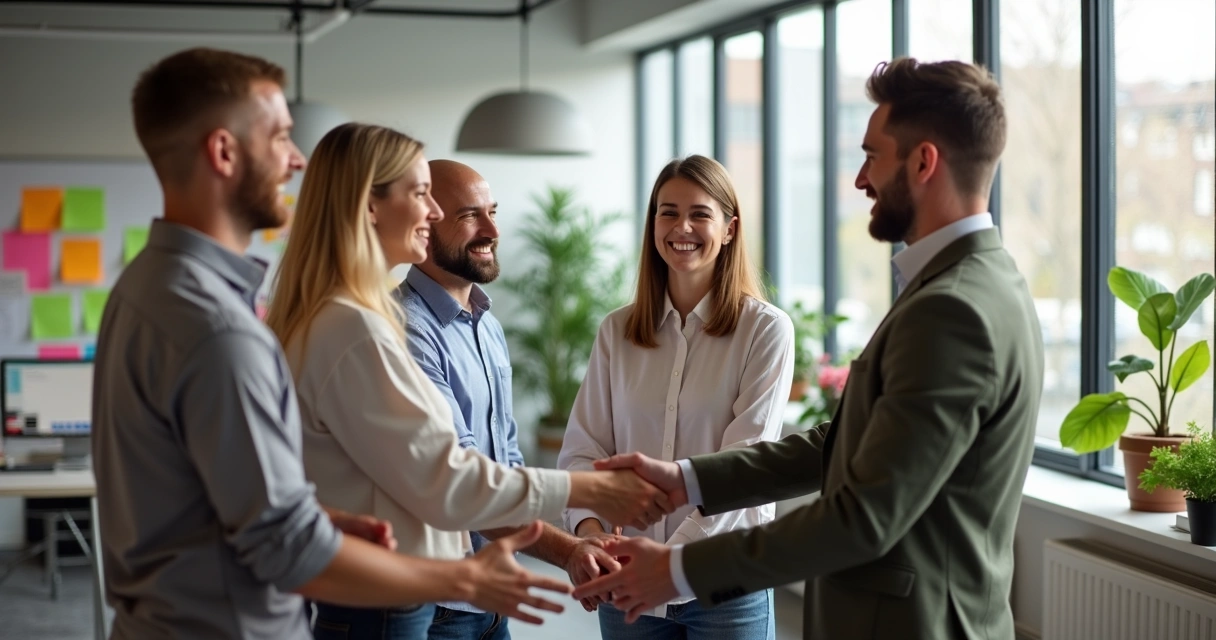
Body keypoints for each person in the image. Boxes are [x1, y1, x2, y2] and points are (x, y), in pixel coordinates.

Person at [92, 48, 575, 640]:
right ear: (223, 152)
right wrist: (462, 580)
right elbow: (292, 543)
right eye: (280, 138)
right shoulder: (223, 327)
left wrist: (322, 518)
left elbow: (218, 502)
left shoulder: (144, 287)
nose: (296, 160)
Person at [573, 57, 1046, 640]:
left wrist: (676, 568)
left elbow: (863, 517)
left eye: (872, 156)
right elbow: (844, 445)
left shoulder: (953, 308)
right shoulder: (967, 284)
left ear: (924, 162)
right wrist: (689, 479)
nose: (860, 179)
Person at [265, 123, 672, 639]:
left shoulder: (359, 319)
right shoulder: (360, 329)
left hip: (416, 593)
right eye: (421, 195)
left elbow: (480, 466)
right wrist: (592, 490)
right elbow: (448, 481)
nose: (431, 212)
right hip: (399, 604)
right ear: (370, 207)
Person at [558, 154, 791, 640]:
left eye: (700, 214)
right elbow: (583, 449)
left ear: (729, 228)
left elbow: (745, 465)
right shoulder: (617, 331)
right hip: (627, 580)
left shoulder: (766, 330)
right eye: (668, 212)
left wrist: (671, 565)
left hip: (726, 583)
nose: (681, 226)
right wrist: (589, 534)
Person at [396, 160, 624, 640]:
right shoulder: (407, 332)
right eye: (469, 216)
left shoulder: (486, 324)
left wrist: (579, 538)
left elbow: (507, 463)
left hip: (489, 596)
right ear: (425, 226)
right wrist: (567, 549)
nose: (493, 230)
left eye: (492, 212)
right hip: (436, 608)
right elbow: (460, 479)